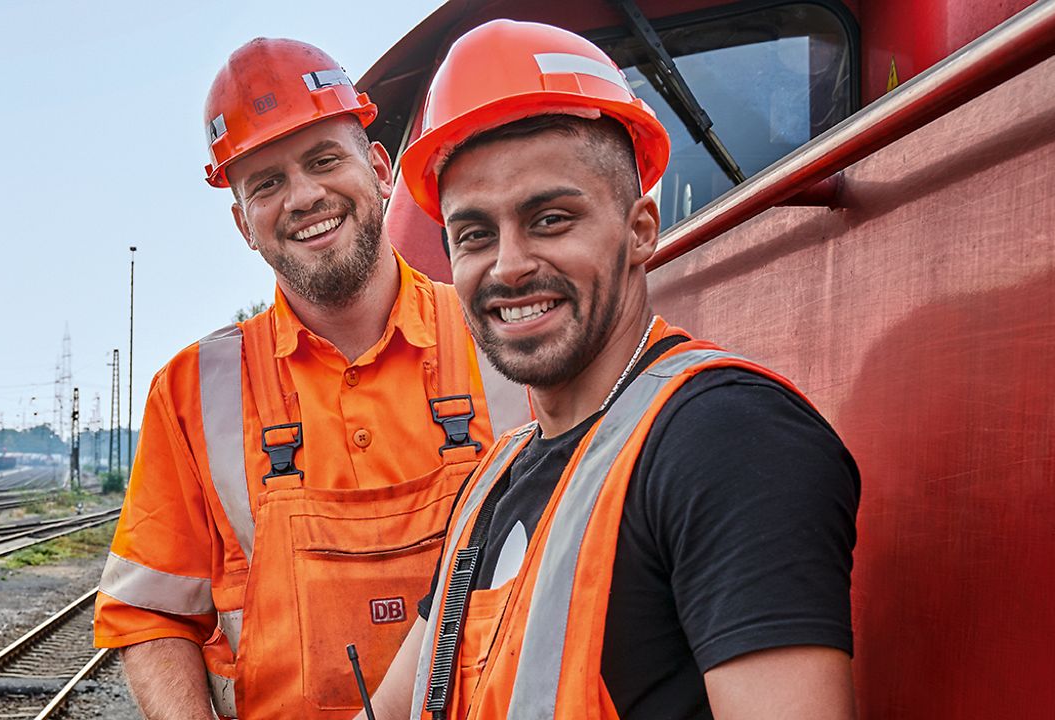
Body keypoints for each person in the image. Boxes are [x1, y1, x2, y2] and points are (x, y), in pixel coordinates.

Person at [364, 20, 861, 719]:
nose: (509, 265)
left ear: (640, 231)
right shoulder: (494, 481)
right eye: (474, 234)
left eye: (550, 219)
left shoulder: (726, 440)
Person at [93, 38, 531, 719]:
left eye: (325, 160)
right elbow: (149, 615)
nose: (303, 196)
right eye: (266, 183)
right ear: (243, 223)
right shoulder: (192, 393)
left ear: (379, 169)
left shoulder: (502, 342)